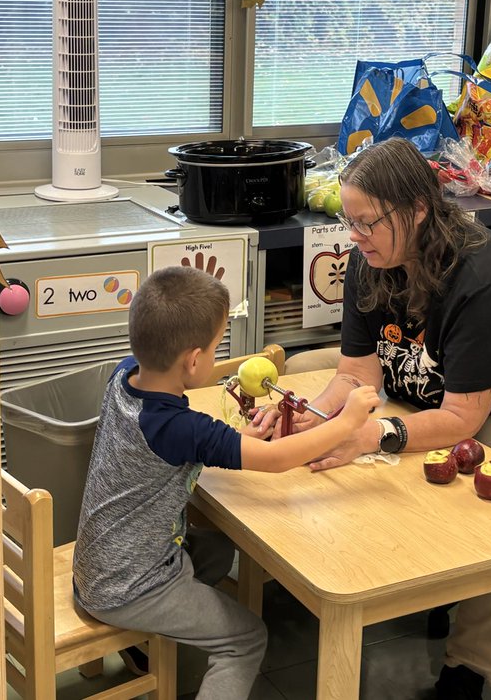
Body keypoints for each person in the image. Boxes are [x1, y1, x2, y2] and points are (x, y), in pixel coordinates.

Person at [254, 137, 491, 700]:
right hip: (434, 394)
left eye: (366, 223)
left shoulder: (488, 278)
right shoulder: (372, 261)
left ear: (416, 210)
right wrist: (311, 418)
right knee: (316, 400)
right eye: (349, 221)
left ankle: (470, 669)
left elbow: (463, 418)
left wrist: (373, 435)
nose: (353, 236)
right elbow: (356, 376)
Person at [72, 266, 380, 700]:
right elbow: (275, 461)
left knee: (216, 549)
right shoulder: (180, 427)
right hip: (129, 586)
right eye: (218, 347)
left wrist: (236, 441)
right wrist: (347, 420)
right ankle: (152, 625)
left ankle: (148, 639)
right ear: (194, 360)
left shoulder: (125, 375)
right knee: (246, 638)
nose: (218, 356)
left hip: (98, 566)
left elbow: (178, 444)